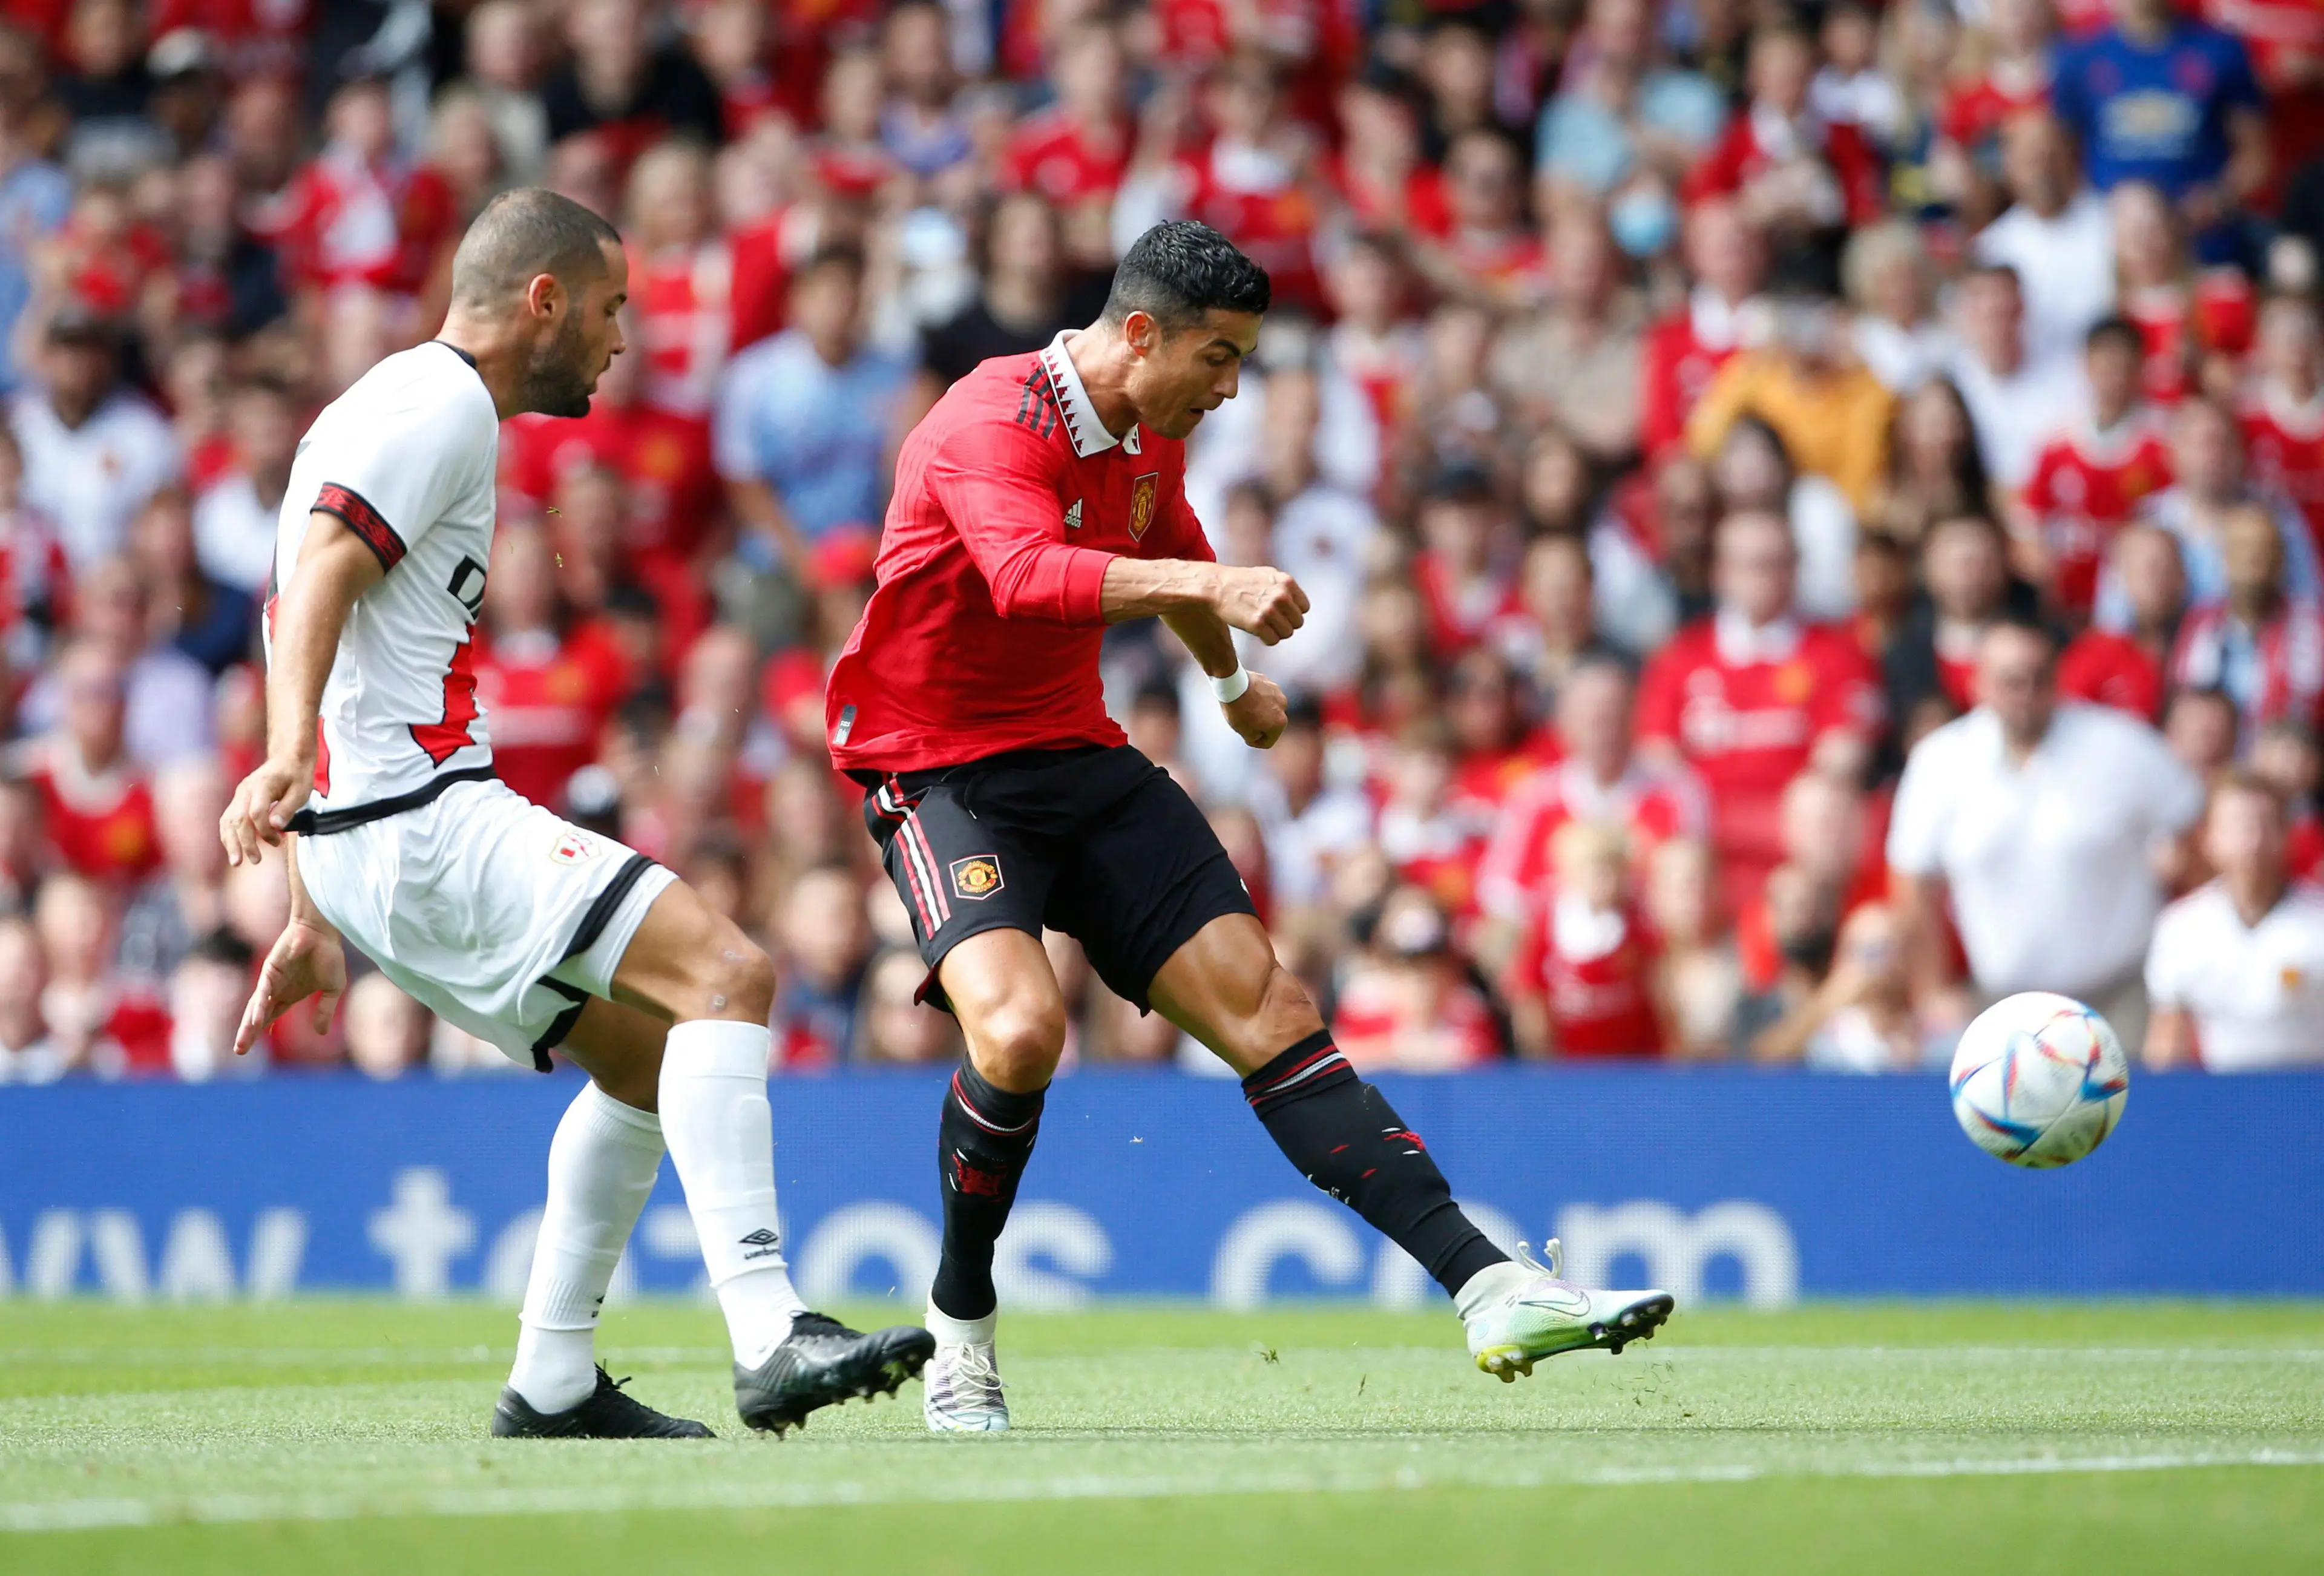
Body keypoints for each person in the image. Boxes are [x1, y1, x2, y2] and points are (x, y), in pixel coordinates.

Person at [825, 220, 1672, 1432]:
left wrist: (1229, 685)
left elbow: (1171, 541)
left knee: (1273, 1010)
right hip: (938, 770)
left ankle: (1492, 1286)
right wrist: (1215, 595)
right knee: (1018, 1033)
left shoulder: (1149, 433)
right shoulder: (986, 423)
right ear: (1137, 335)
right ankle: (962, 1327)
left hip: (1078, 752)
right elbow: (1028, 574)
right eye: (1219, 359)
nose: (1232, 389)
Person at [217, 189, 933, 1443]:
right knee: (726, 971)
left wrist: (309, 900)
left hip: (373, 844)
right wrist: (283, 765)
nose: (618, 343)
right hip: (421, 817)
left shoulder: (390, 407)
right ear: (541, 301)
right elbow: (321, 573)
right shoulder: (435, 403)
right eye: (607, 311)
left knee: (654, 1061)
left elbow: (297, 615)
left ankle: (550, 1380)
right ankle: (772, 1333)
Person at [1888, 619, 2204, 1049]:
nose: (2026, 694)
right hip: (2002, 1004)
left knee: (2134, 1115)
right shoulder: (1940, 763)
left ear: (2058, 678)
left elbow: (2196, 831)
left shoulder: (2122, 746)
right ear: (1978, 684)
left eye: (2040, 678)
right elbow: (1912, 883)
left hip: (2121, 996)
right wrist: (1932, 990)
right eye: (2011, 681)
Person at [2145, 772, 2324, 1070]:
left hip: (2308, 1099)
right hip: (2221, 1101)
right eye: (2239, 827)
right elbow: (2167, 1041)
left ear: (2286, 835)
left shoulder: (2317, 922)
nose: (2252, 841)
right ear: (2210, 838)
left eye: (2265, 825)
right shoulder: (2180, 927)